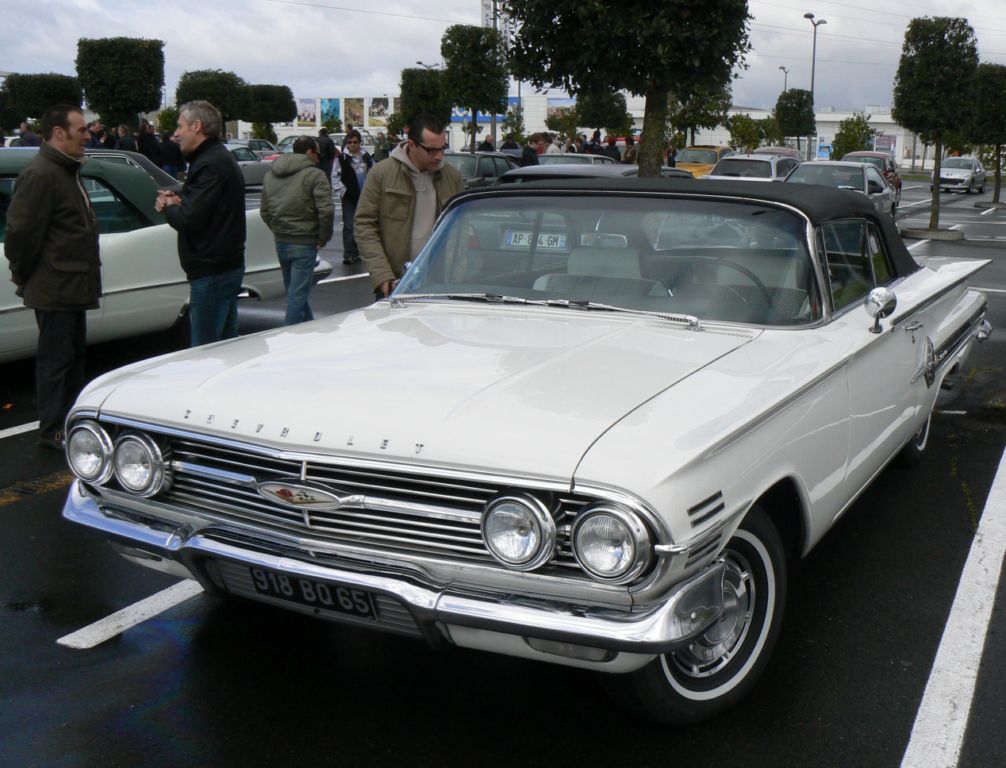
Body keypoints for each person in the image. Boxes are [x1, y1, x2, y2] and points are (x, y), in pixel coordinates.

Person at [4, 105, 100, 450]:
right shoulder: (42, 174)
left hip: (71, 284)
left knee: (72, 359)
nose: (87, 136)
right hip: (55, 285)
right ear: (59, 133)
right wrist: (21, 275)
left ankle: (68, 422)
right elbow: (20, 234)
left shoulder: (64, 169)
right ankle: (53, 429)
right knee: (56, 361)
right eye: (81, 130)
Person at [154, 100, 246, 346]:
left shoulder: (208, 163)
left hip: (212, 270)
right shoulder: (214, 158)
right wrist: (181, 199)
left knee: (207, 352)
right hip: (221, 266)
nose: (176, 134)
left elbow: (189, 219)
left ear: (197, 126)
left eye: (180, 126)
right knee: (227, 347)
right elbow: (206, 204)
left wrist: (170, 206)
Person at [355, 113, 463, 299]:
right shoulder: (381, 173)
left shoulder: (452, 177)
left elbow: (462, 229)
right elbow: (364, 225)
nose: (439, 156)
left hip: (440, 284)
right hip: (395, 283)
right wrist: (381, 273)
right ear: (412, 144)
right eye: (431, 150)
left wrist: (460, 272)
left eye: (442, 148)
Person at [260, 136, 334, 325]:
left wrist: (277, 228)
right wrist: (322, 238)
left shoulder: (271, 174)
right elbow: (326, 211)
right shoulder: (315, 175)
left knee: (295, 293)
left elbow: (265, 211)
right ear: (309, 152)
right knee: (297, 297)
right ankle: (289, 334)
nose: (319, 159)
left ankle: (308, 328)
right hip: (304, 240)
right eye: (318, 154)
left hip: (281, 240)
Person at [333, 128, 374, 265]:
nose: (352, 145)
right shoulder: (342, 159)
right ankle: (348, 254)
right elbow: (334, 177)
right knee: (349, 225)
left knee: (361, 225)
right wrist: (343, 192)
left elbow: (374, 173)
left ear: (359, 143)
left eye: (355, 142)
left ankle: (357, 252)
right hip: (349, 197)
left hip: (364, 197)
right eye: (350, 142)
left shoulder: (367, 157)